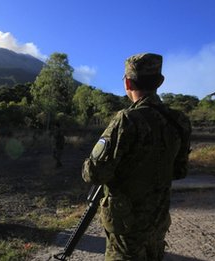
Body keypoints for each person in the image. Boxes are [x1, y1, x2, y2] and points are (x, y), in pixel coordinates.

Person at [82, 53, 191, 260]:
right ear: (159, 82)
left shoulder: (127, 119)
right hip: (157, 220)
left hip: (126, 224)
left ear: (128, 83)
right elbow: (180, 171)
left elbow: (94, 174)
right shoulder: (179, 121)